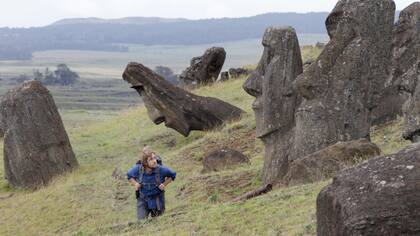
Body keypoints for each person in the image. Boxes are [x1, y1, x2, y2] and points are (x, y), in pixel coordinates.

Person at [127, 150, 176, 220]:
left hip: (157, 200)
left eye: (154, 158)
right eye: (151, 159)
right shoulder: (138, 169)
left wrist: (164, 184)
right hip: (143, 200)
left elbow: (173, 175)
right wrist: (135, 184)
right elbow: (129, 176)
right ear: (145, 163)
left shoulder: (161, 169)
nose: (154, 161)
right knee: (141, 222)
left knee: (159, 221)